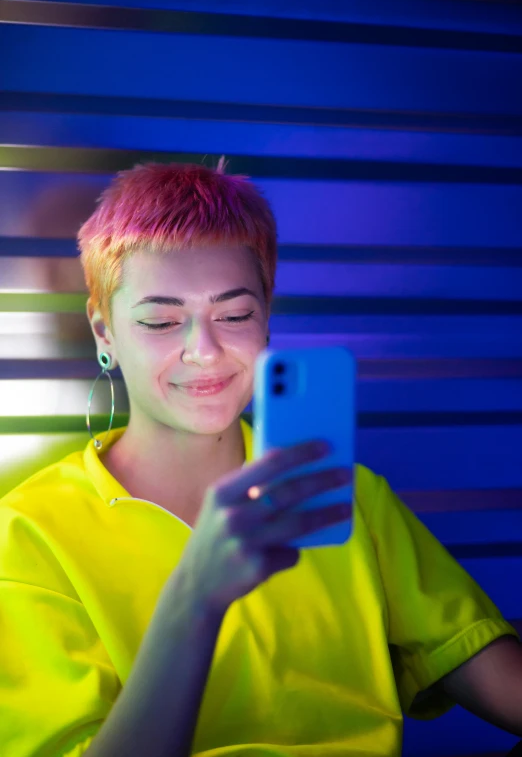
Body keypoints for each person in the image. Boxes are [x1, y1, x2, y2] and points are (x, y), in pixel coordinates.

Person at [1, 160, 521, 757]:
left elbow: (489, 669)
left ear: (267, 316)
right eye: (161, 320)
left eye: (235, 315)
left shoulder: (346, 495)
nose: (204, 351)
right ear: (104, 332)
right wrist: (196, 597)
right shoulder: (28, 534)